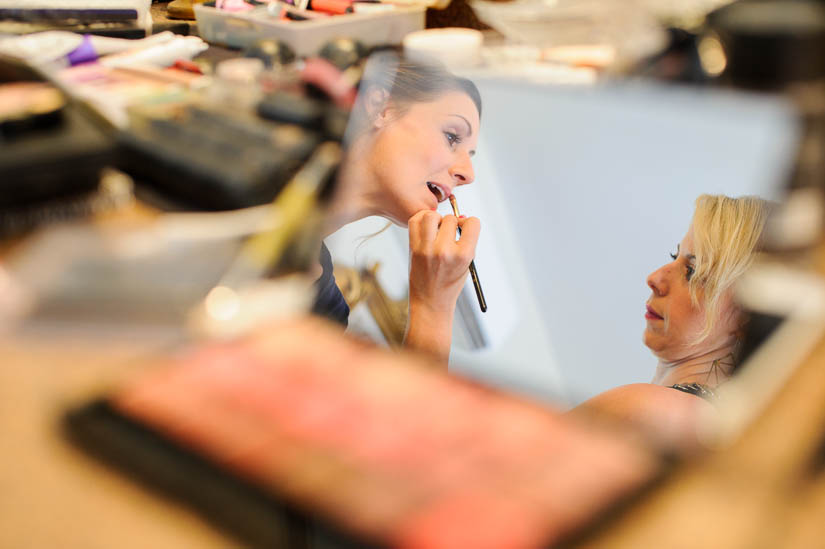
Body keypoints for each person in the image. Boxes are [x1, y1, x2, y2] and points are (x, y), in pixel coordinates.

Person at [313, 52, 482, 365]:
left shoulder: (329, 311)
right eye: (451, 136)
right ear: (382, 107)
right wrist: (433, 308)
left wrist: (433, 304)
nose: (468, 174)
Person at [573, 194, 772, 449]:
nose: (655, 277)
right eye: (673, 256)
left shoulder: (641, 409)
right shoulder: (720, 428)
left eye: (692, 272)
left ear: (747, 318)